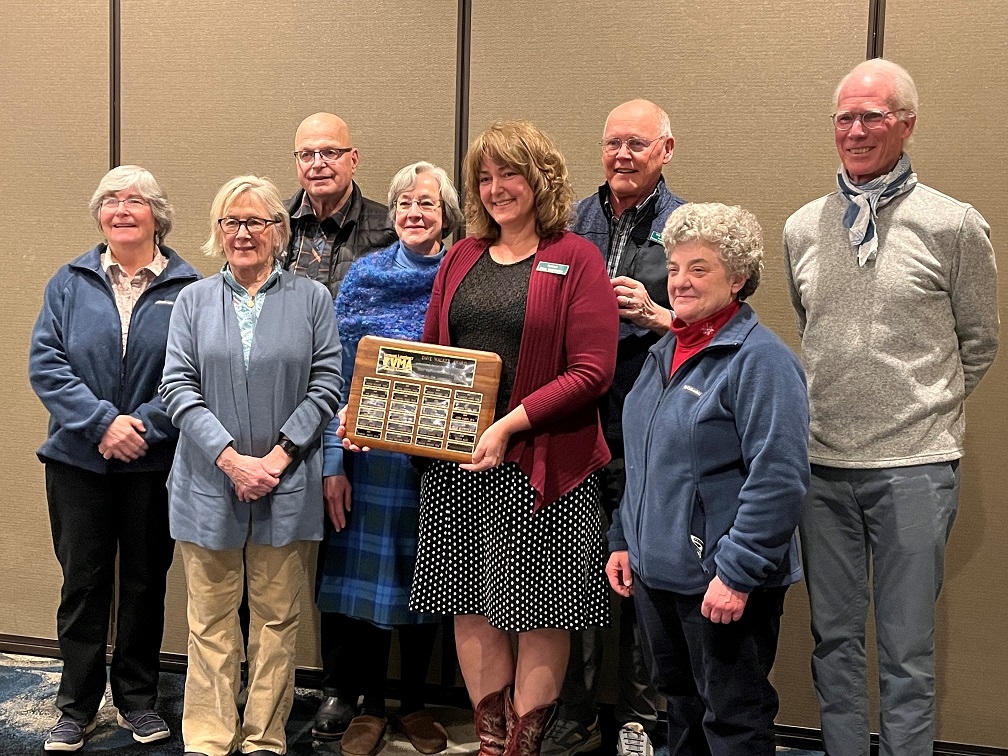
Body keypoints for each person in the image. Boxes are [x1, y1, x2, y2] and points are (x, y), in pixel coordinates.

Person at [783, 58, 999, 756]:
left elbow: (979, 341)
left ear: (907, 123)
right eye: (844, 116)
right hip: (822, 466)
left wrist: (922, 409)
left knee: (907, 650)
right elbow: (810, 331)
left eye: (872, 115)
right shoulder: (802, 229)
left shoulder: (954, 225)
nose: (855, 130)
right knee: (833, 643)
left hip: (915, 465)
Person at [401, 120, 618, 756]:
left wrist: (508, 424)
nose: (497, 188)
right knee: (468, 602)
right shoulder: (462, 256)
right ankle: (493, 744)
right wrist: (383, 421)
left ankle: (523, 747)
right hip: (461, 464)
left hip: (544, 464)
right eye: (486, 177)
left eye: (510, 174)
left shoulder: (576, 257)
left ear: (540, 178)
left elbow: (592, 370)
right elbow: (433, 356)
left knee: (544, 612)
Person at [608, 203, 809, 755]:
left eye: (700, 268)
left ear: (738, 278)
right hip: (657, 576)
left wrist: (739, 573)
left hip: (722, 582)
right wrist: (625, 541)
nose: (681, 281)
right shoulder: (664, 351)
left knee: (732, 720)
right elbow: (643, 457)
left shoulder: (761, 360)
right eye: (674, 268)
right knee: (683, 710)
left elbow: (780, 479)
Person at [160, 176, 342, 756]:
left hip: (286, 482)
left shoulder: (313, 300)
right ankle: (211, 738)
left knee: (276, 620)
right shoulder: (191, 299)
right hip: (207, 479)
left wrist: (279, 455)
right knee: (209, 623)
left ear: (278, 231)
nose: (243, 233)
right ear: (218, 232)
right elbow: (177, 387)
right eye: (231, 222)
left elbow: (327, 383)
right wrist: (232, 460)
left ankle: (264, 737)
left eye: (256, 222)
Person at [29, 165, 199, 751]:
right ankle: (75, 705)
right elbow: (46, 364)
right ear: (99, 215)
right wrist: (103, 424)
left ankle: (137, 699)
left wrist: (142, 428)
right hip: (78, 461)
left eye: (135, 200)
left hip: (153, 464)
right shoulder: (70, 281)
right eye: (110, 201)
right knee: (83, 585)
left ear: (158, 214)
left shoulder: (189, 288)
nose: (121, 209)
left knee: (147, 584)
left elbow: (193, 372)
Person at [312, 161, 464, 754]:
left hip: (440, 457)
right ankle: (370, 705)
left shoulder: (464, 276)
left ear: (446, 216)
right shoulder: (364, 275)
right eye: (404, 203)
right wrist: (332, 457)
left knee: (424, 581)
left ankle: (416, 704)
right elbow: (336, 374)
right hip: (369, 456)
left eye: (427, 203)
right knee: (371, 584)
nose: (414, 213)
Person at [551, 98, 685, 756]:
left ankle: (638, 718)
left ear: (666, 149)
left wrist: (656, 313)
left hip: (651, 426)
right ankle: (573, 712)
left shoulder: (689, 226)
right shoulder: (569, 222)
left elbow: (720, 329)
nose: (622, 155)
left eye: (636, 143)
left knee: (645, 573)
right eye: (612, 143)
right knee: (576, 569)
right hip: (576, 425)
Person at [286, 112, 397, 298]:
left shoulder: (391, 230)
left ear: (353, 160)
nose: (317, 164)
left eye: (330, 152)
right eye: (306, 155)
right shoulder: (272, 223)